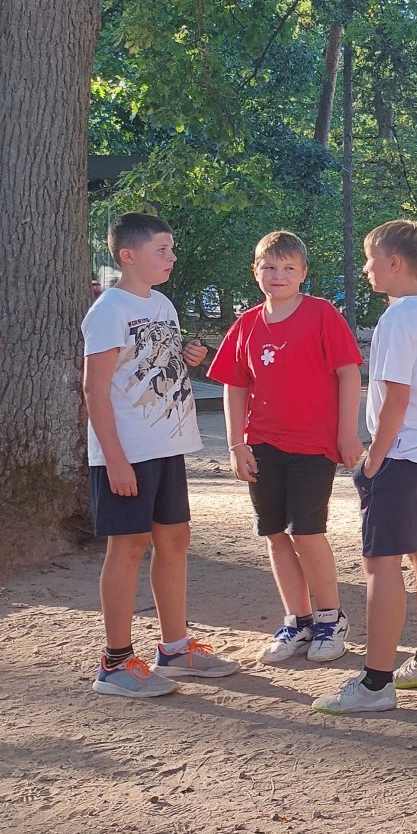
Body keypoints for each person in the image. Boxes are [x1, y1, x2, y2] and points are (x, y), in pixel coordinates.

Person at [82, 213, 241, 698]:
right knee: (128, 546)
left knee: (174, 540)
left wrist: (189, 356)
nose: (172, 257)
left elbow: (152, 369)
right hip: (126, 451)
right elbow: (94, 389)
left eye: (171, 249)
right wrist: (114, 458)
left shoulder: (163, 304)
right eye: (162, 250)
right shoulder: (109, 309)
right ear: (128, 255)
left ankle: (174, 649)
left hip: (167, 445)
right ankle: (115, 663)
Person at [314, 219, 417, 715]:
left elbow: (396, 395)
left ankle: (376, 683)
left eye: (370, 259)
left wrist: (374, 456)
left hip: (403, 454)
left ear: (394, 263)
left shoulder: (397, 319)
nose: (365, 268)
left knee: (381, 564)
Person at [207, 231, 365, 666]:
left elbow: (349, 373)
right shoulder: (246, 324)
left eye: (288, 268)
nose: (278, 275)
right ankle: (298, 621)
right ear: (255, 272)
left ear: (303, 273)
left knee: (306, 533)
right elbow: (235, 385)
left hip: (313, 444)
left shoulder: (322, 314)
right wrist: (236, 444)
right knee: (275, 534)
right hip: (263, 444)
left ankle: (331, 618)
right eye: (269, 267)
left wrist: (347, 434)